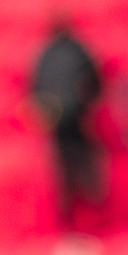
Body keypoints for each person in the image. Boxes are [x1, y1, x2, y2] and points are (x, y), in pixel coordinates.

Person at [28, 23, 104, 227]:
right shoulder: (79, 49)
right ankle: (93, 218)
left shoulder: (45, 53)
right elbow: (96, 81)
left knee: (64, 173)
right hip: (79, 117)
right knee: (85, 168)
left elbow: (35, 86)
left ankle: (70, 220)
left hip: (58, 118)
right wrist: (86, 104)